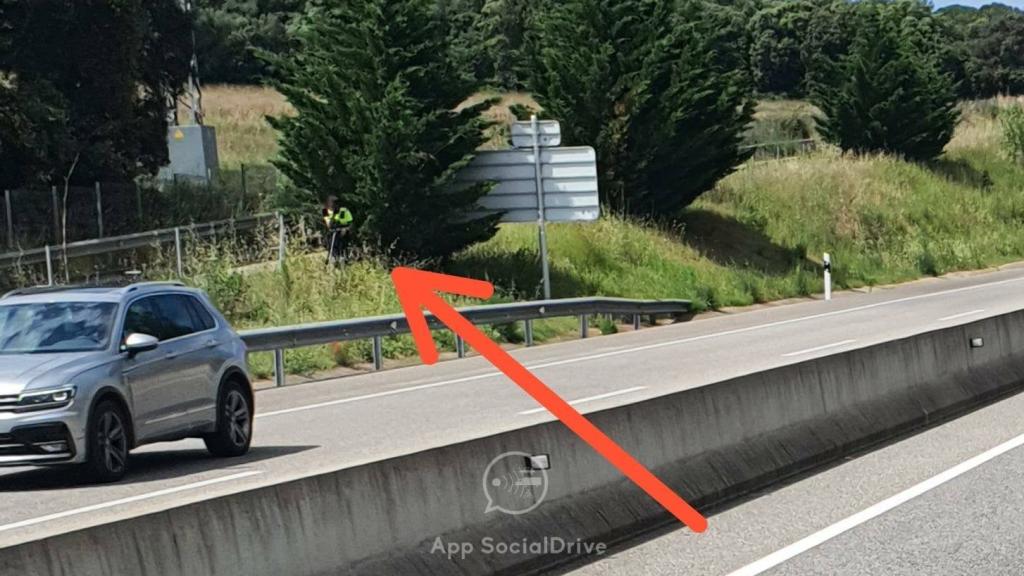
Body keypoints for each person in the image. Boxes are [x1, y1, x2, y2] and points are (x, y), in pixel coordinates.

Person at [322, 196, 353, 266]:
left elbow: (351, 224)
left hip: (343, 233)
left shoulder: (344, 211)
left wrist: (345, 229)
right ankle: (333, 258)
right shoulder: (325, 211)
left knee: (343, 245)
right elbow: (328, 225)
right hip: (333, 233)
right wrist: (334, 215)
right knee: (332, 245)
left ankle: (345, 258)